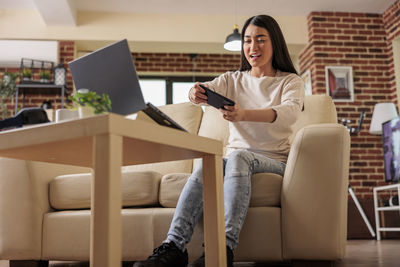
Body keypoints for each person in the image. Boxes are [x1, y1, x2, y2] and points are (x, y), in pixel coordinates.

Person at [133, 14, 304, 267]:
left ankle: (223, 249)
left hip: (275, 160)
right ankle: (174, 246)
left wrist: (244, 114)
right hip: (237, 159)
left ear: (274, 43)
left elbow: (289, 114)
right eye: (247, 41)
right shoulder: (233, 79)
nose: (252, 47)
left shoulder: (290, 81)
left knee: (237, 155)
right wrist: (195, 93)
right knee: (208, 162)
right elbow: (200, 91)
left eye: (260, 40)